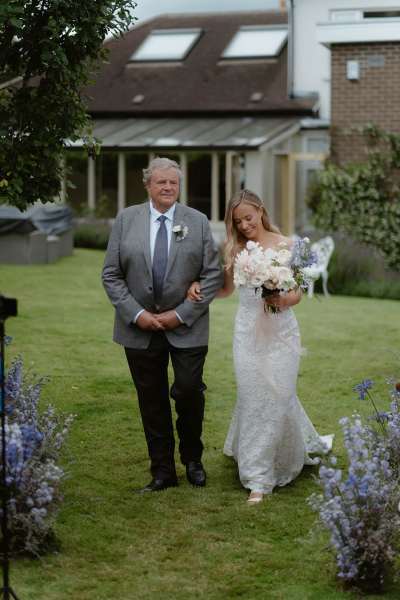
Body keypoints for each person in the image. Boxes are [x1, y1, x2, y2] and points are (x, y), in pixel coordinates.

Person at [187, 189, 333, 504]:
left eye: (248, 218)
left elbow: (299, 292)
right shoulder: (233, 249)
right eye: (237, 221)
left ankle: (280, 457)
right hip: (247, 332)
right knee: (253, 396)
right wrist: (200, 287)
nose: (244, 226)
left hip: (281, 331)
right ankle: (258, 476)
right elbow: (225, 291)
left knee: (280, 395)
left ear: (261, 211)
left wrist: (280, 298)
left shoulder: (292, 245)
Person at [102, 157, 222, 493]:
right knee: (150, 399)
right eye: (161, 182)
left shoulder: (196, 221)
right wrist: (138, 315)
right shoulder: (126, 219)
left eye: (173, 182)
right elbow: (111, 274)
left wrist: (181, 313)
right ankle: (163, 471)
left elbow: (212, 274)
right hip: (138, 329)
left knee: (187, 390)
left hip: (187, 327)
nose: (168, 187)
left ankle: (193, 459)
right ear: (147, 185)